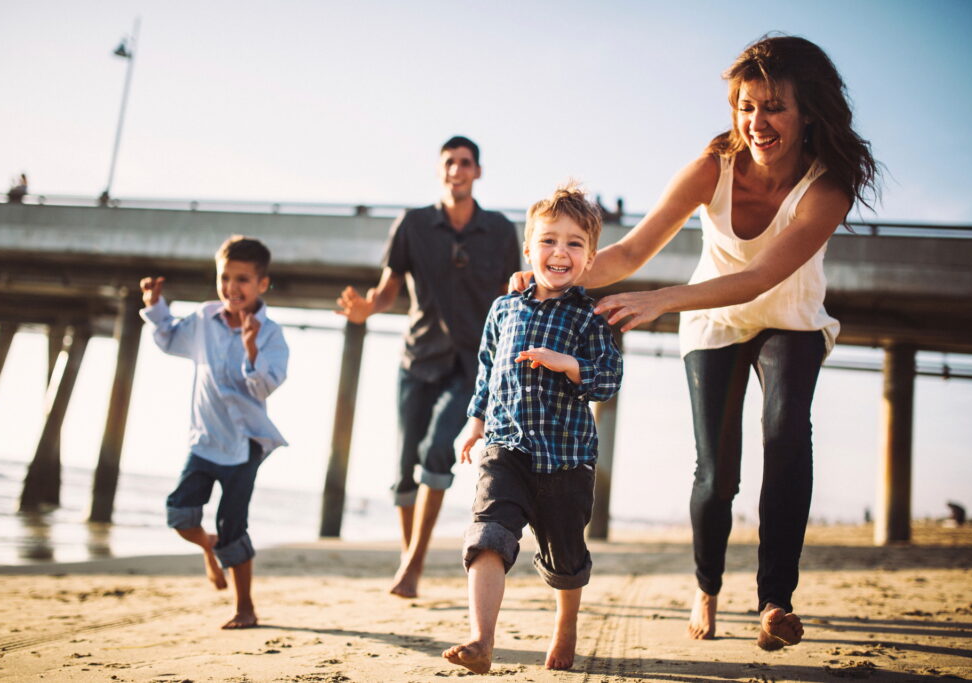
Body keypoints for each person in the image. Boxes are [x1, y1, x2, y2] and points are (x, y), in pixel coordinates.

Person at [517, 35, 879, 650]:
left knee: (787, 432)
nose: (756, 123)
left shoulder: (829, 185)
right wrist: (553, 270)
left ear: (809, 111)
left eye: (774, 108)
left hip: (788, 316)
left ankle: (774, 603)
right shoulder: (714, 164)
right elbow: (630, 252)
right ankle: (707, 585)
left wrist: (661, 299)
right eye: (745, 106)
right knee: (717, 471)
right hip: (713, 319)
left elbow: (764, 277)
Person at [443, 184, 623, 673]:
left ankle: (566, 625)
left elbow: (608, 379)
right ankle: (481, 640)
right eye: (548, 240)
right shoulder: (504, 310)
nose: (559, 252)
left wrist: (567, 364)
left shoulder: (591, 318)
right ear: (529, 249)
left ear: (588, 259)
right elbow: (487, 372)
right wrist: (474, 423)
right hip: (505, 448)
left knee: (565, 557)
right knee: (487, 534)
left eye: (573, 243)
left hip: (566, 459)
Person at [336, 136, 521, 598]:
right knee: (403, 469)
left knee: (438, 450)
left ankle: (413, 565)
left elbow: (512, 294)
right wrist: (367, 309)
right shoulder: (413, 224)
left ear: (477, 171)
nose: (457, 170)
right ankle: (410, 558)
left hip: (473, 365)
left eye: (465, 163)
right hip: (417, 359)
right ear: (439, 170)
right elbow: (388, 289)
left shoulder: (499, 230)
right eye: (449, 163)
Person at [139, 235, 289, 629]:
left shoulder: (271, 333)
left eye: (242, 280)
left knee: (233, 526)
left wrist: (252, 349)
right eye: (225, 277)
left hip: (244, 446)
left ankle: (245, 608)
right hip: (204, 440)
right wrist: (155, 307)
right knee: (180, 514)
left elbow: (264, 386)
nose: (232, 288)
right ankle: (210, 548)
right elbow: (171, 338)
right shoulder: (205, 318)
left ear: (262, 284)